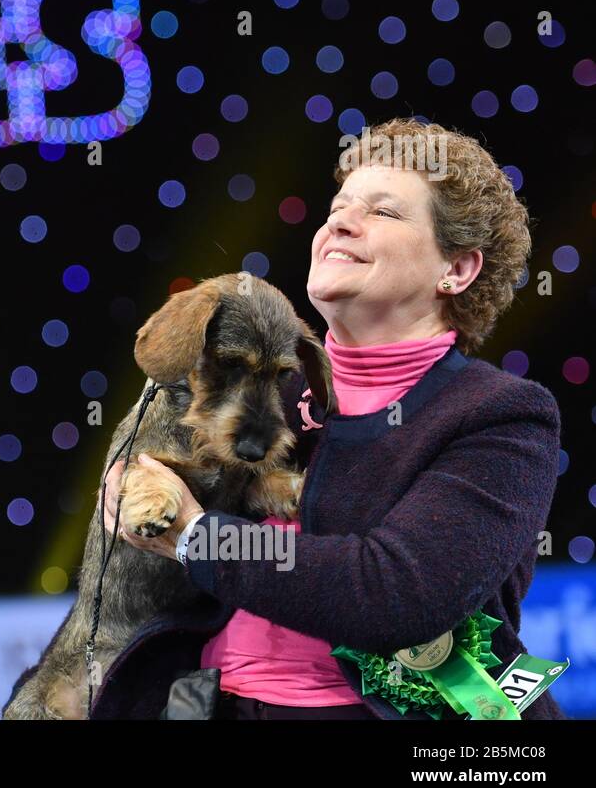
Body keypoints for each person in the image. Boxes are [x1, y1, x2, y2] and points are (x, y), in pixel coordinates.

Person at [36, 118, 565, 720]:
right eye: (339, 206)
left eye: (385, 213)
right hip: (211, 704)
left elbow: (393, 593)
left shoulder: (501, 417)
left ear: (458, 270)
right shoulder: (252, 392)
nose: (339, 222)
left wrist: (194, 535)